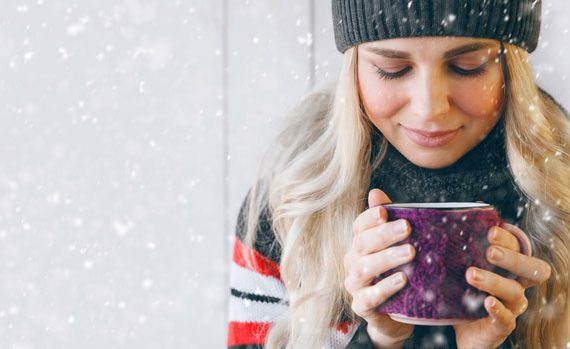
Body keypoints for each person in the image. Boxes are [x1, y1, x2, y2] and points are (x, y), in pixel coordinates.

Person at [227, 1, 570, 348]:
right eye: (392, 68)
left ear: (510, 70)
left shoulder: (563, 195)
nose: (429, 108)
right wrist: (378, 340)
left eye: (467, 67)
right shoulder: (293, 206)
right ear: (356, 68)